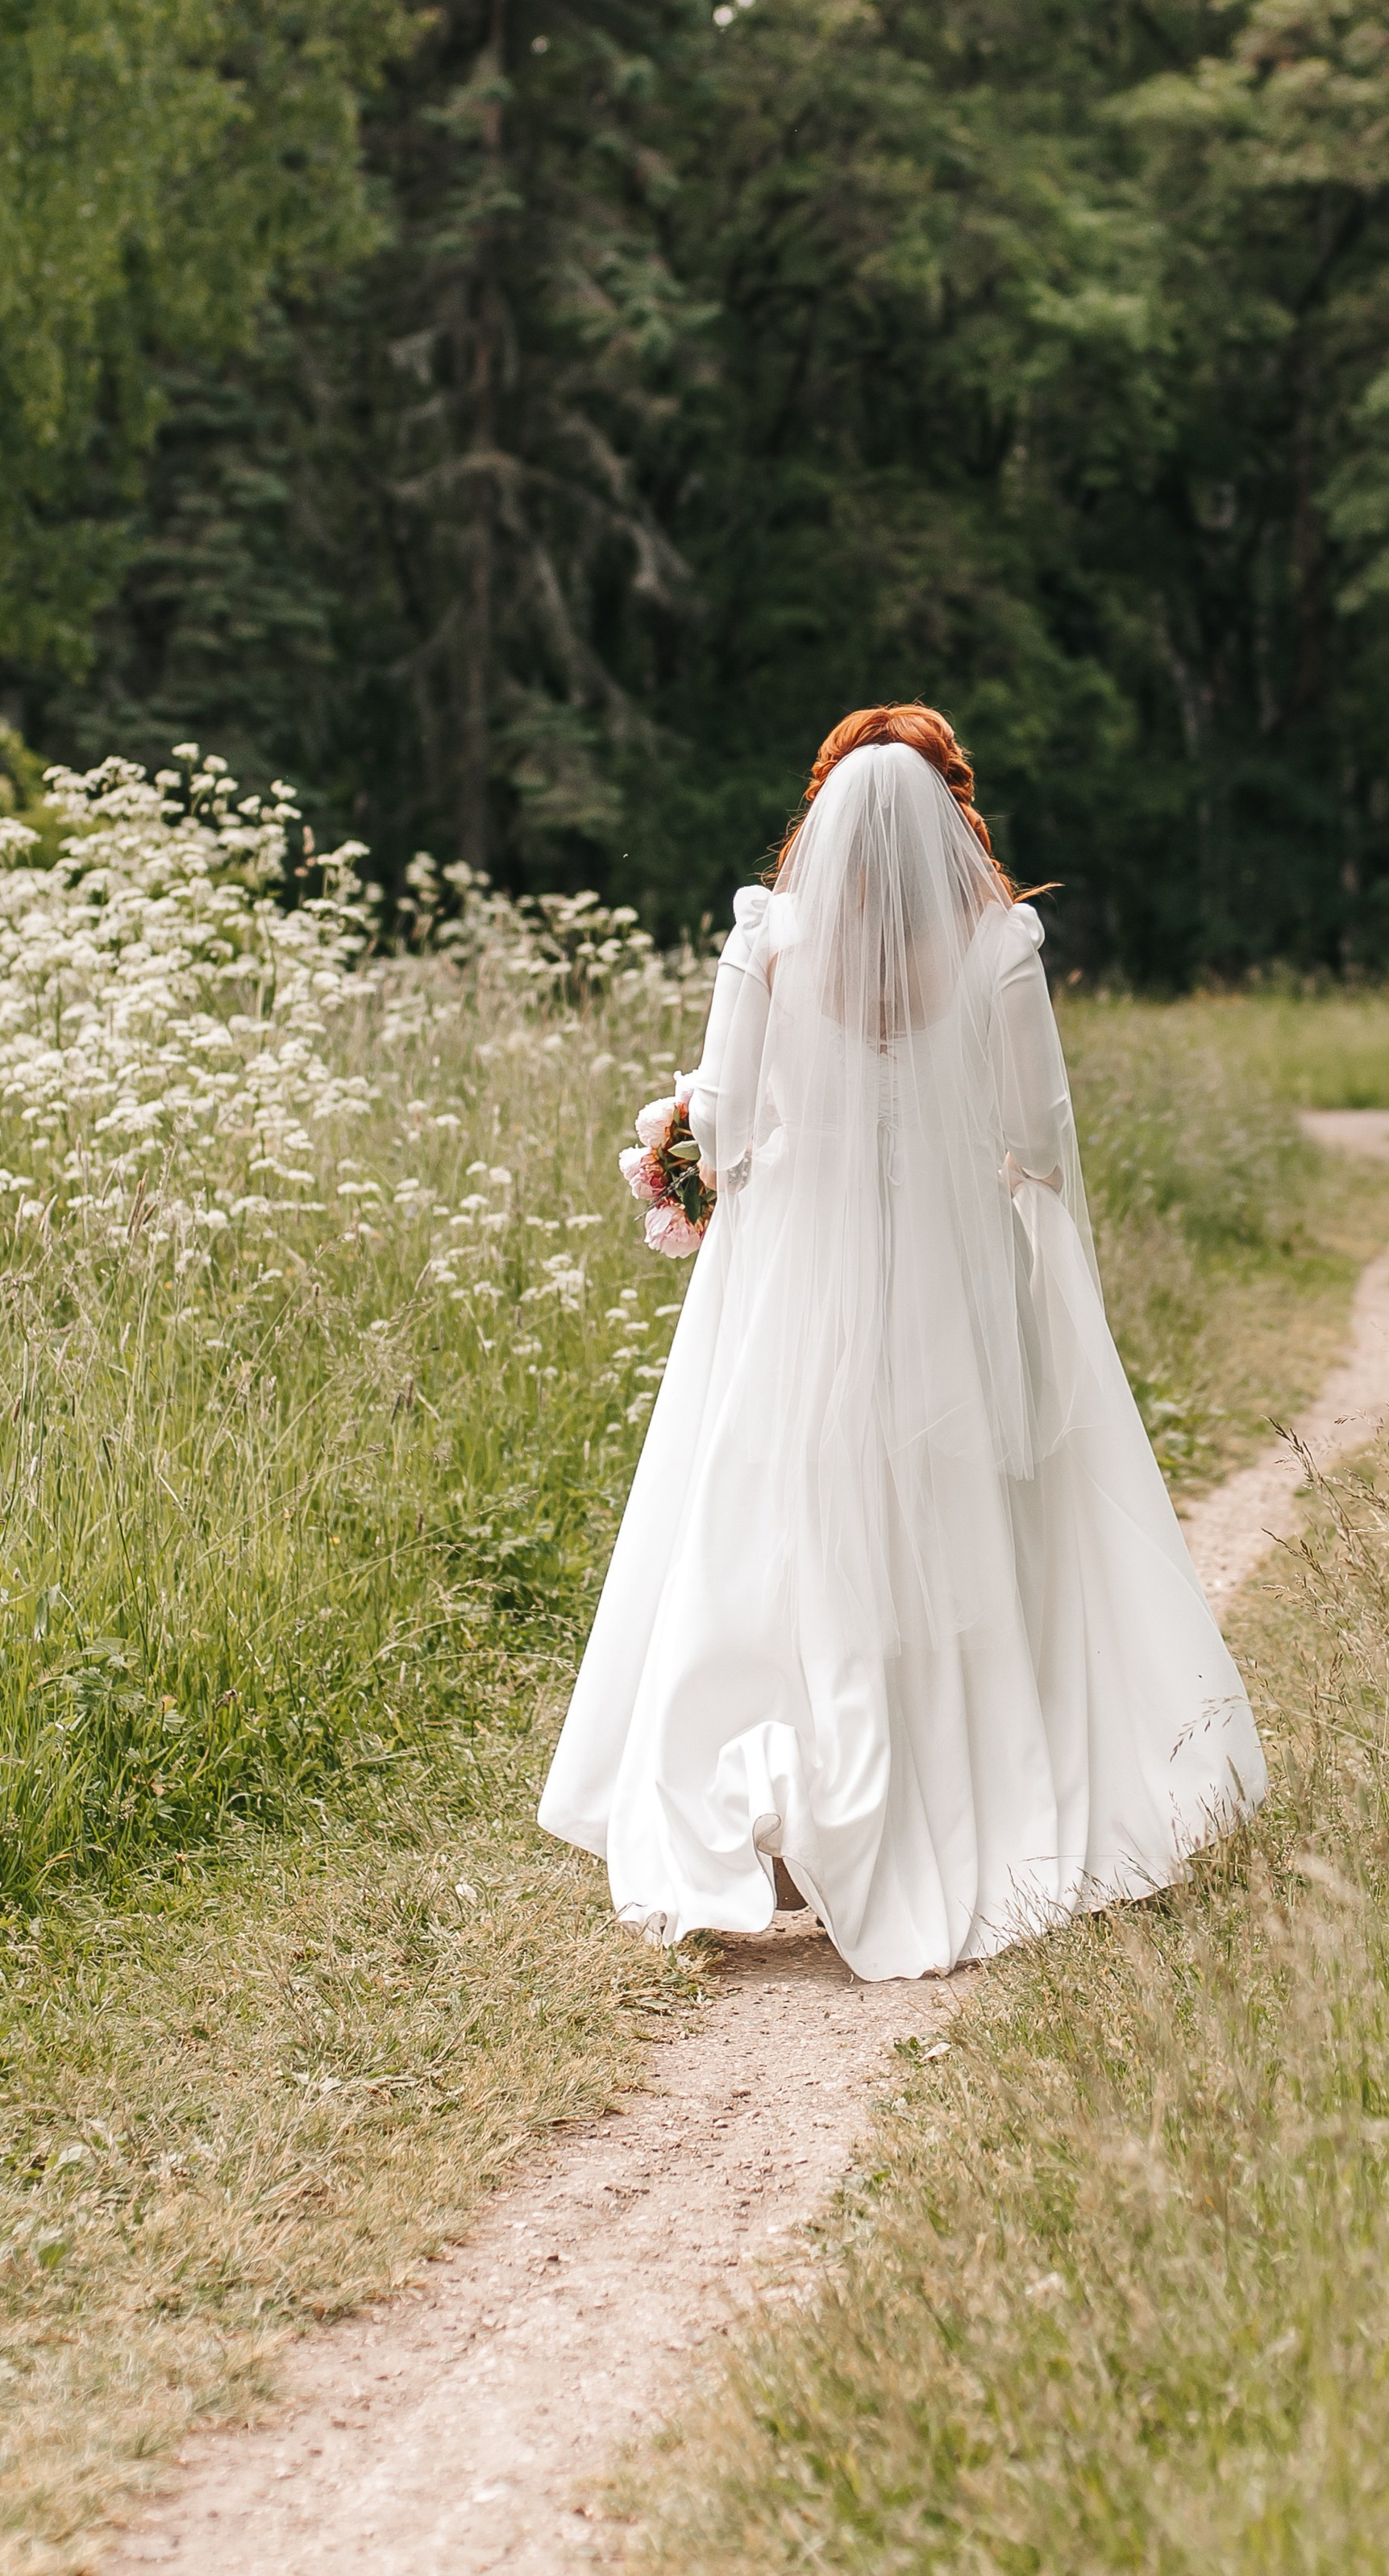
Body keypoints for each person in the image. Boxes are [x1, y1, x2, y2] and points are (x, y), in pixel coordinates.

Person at [539, 705, 1266, 1979]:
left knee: (780, 1516)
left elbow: (723, 1115)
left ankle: (768, 1801)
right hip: (944, 1265)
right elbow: (1037, 1134)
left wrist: (683, 1141)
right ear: (947, 810)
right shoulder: (998, 944)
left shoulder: (769, 935)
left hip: (796, 1272)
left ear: (822, 817)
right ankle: (940, 1779)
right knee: (950, 1518)